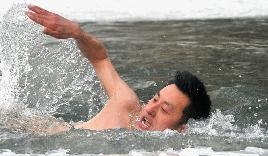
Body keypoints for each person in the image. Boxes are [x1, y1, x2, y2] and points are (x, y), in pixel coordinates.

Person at [25, 5, 211, 133]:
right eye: (155, 99)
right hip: (25, 128)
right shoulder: (125, 105)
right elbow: (100, 58)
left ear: (181, 129)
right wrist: (77, 33)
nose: (150, 109)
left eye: (165, 109)